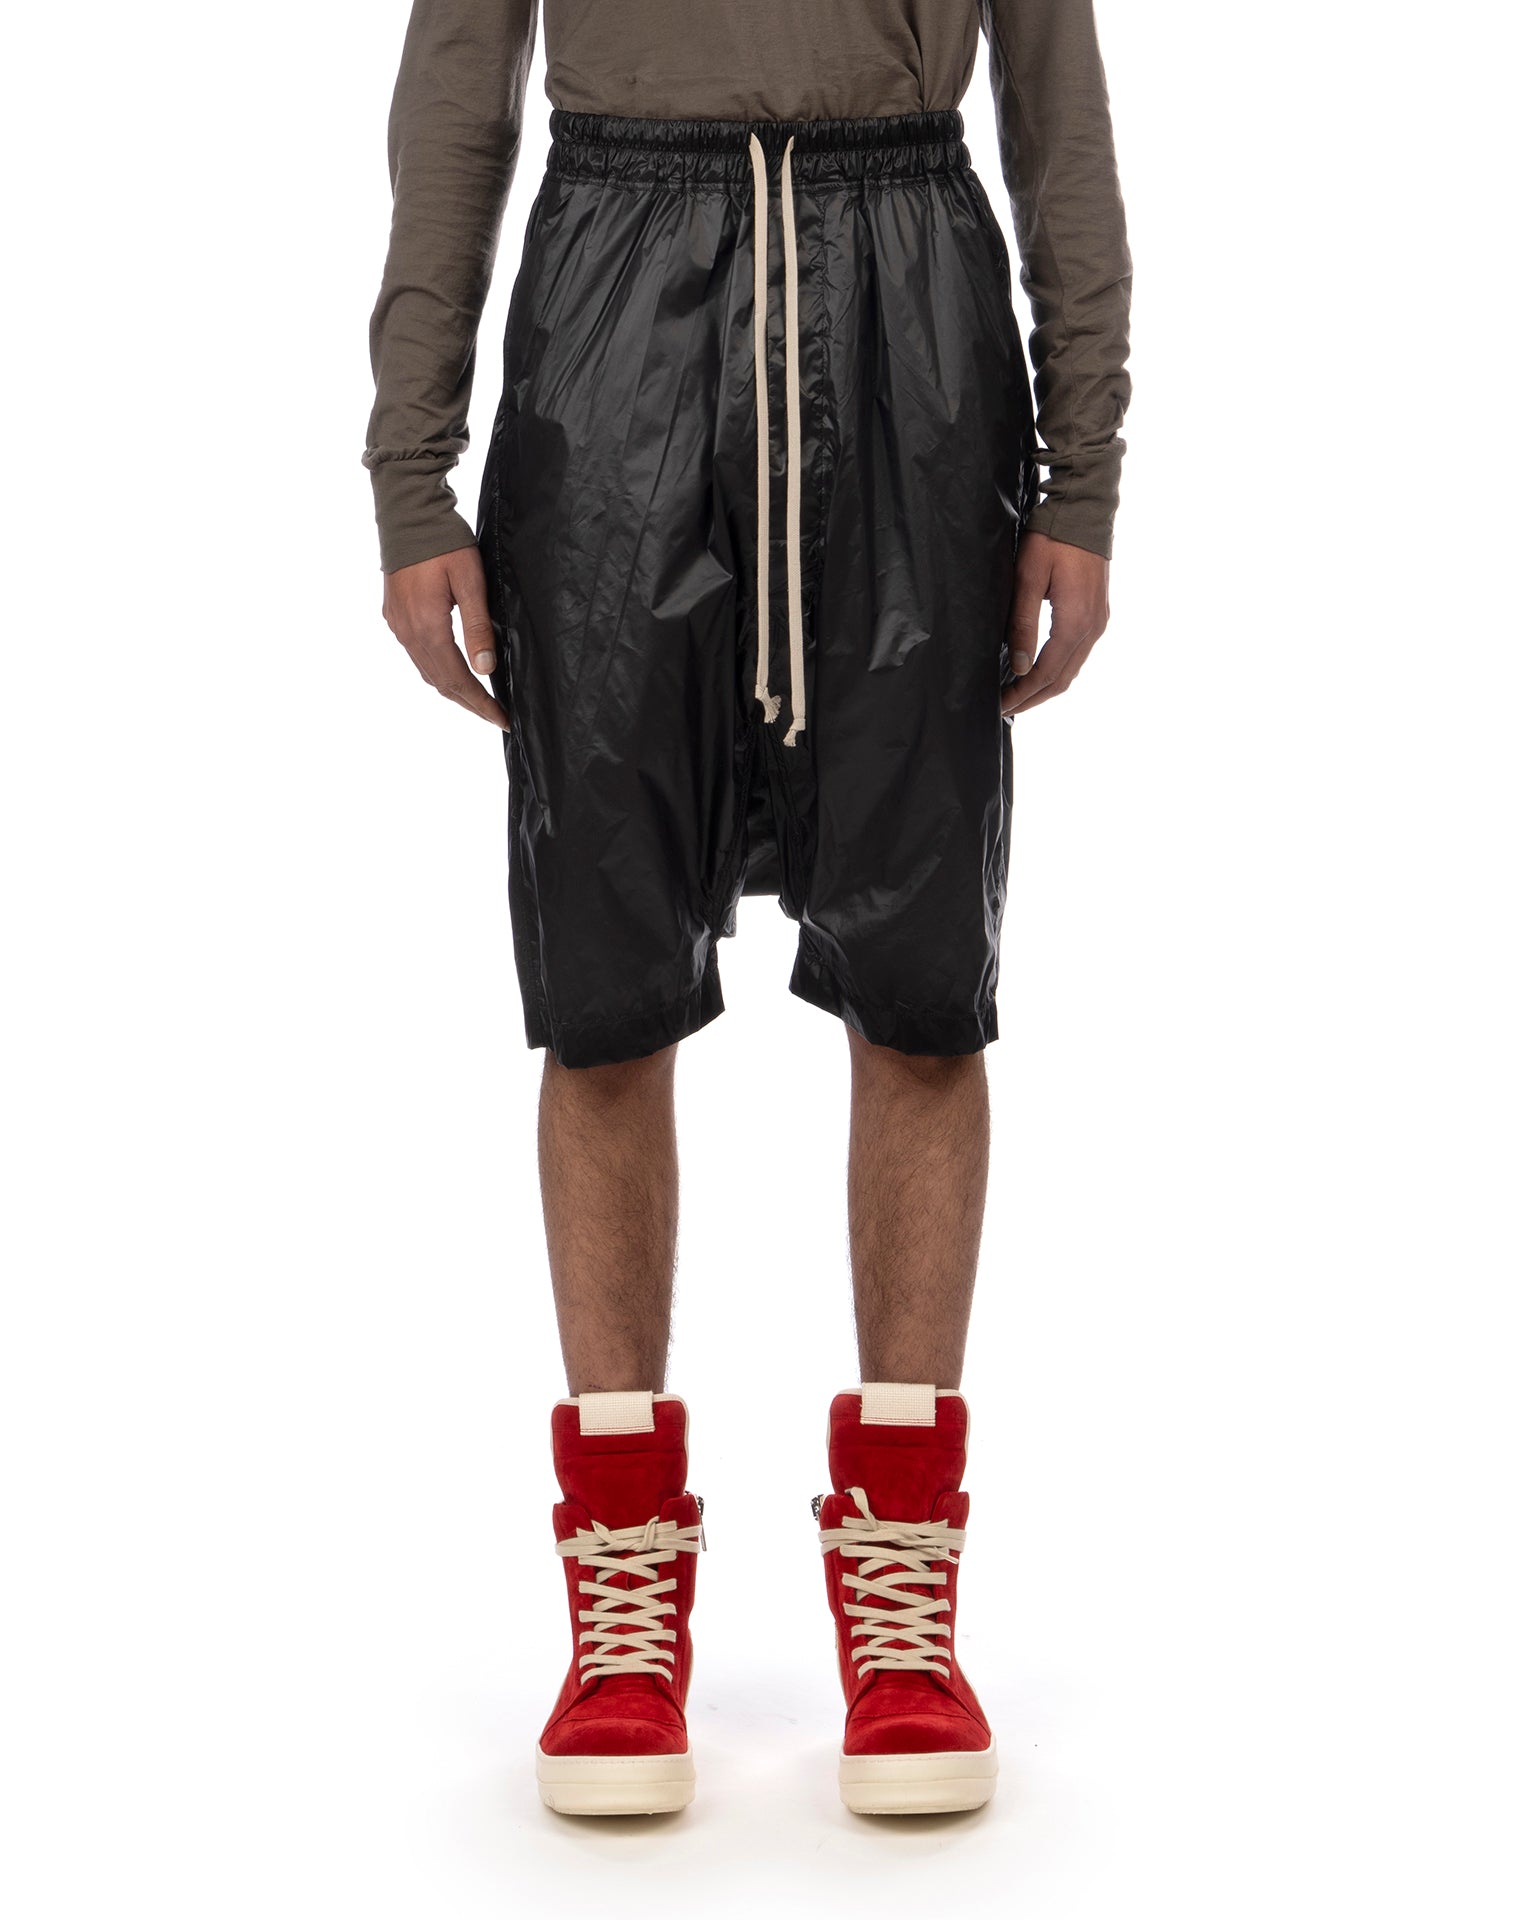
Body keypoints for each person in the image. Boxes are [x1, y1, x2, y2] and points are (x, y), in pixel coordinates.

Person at [365, 0, 1130, 1819]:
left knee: (922, 975)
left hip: (908, 306)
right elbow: (459, 93)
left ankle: (906, 1612)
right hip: (618, 302)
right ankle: (623, 1614)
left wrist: (1084, 474)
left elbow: (1058, 106)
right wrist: (411, 473)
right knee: (605, 978)